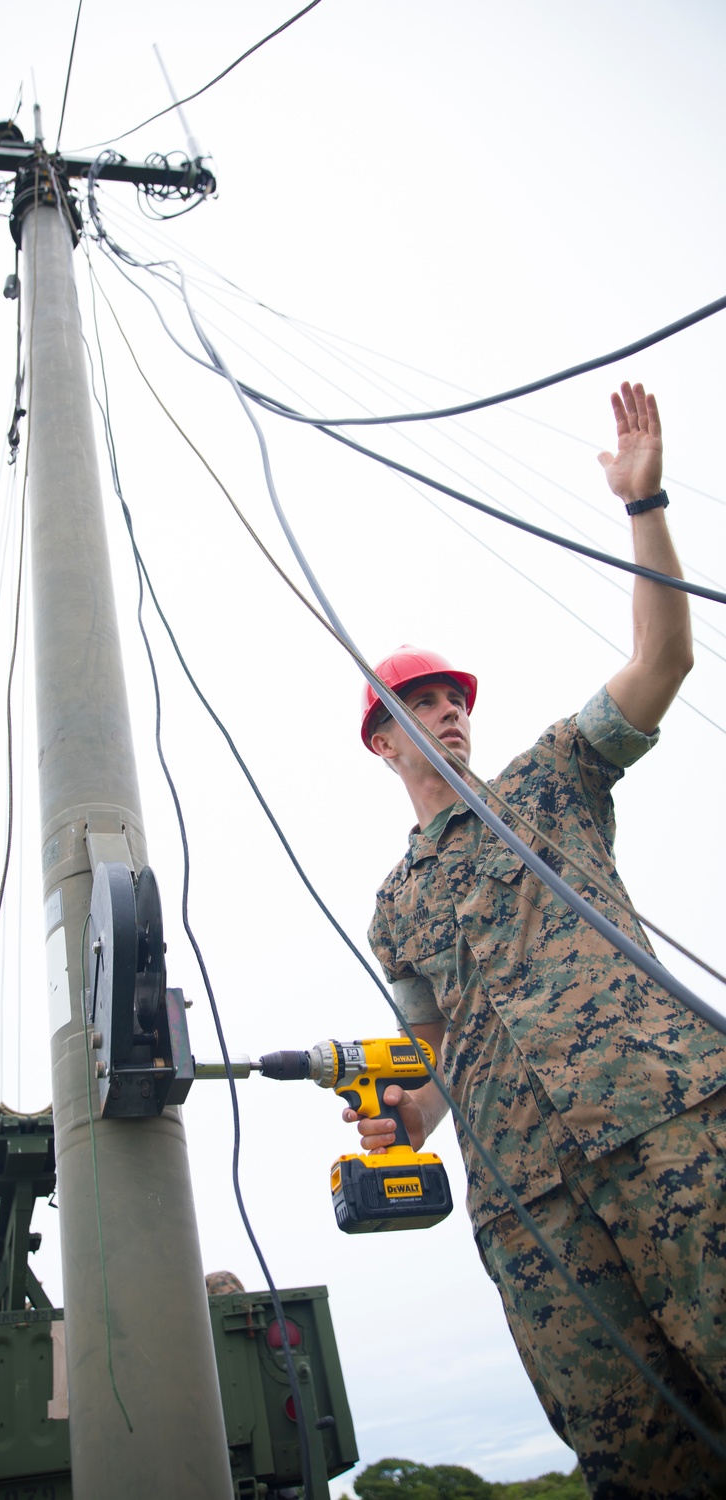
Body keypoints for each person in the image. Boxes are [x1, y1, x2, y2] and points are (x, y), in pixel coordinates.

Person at [354, 383, 726, 1498]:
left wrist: (642, 501)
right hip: (532, 1213)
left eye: (457, 696)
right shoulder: (392, 906)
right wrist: (400, 1126)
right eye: (420, 701)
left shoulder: (552, 783)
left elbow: (662, 664)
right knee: (638, 1463)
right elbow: (432, 1062)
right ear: (381, 740)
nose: (451, 710)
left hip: (670, 1131)